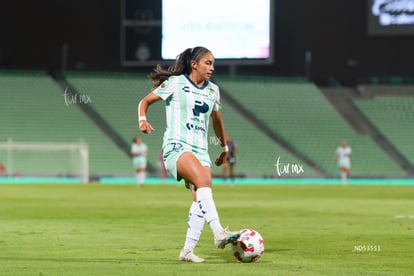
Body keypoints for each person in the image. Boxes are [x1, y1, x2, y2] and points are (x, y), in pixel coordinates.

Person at [137, 46, 240, 263]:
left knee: (200, 197)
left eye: (213, 64)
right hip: (177, 146)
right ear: (194, 64)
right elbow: (144, 101)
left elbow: (217, 120)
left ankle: (187, 251)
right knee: (204, 184)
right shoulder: (176, 83)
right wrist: (142, 120)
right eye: (208, 63)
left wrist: (223, 149)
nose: (212, 68)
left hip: (201, 150)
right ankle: (219, 232)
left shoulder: (213, 90)